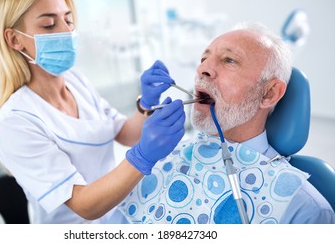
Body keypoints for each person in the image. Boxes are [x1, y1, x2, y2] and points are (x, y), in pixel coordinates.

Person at [0, 0, 185, 224]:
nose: (66, 31)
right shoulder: (16, 121)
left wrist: (147, 102)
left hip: (117, 214)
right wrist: (142, 157)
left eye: (68, 20)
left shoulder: (76, 82)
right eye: (49, 25)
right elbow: (84, 206)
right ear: (15, 40)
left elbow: (125, 134)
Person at [119, 22, 335, 224]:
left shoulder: (302, 208)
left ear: (269, 93)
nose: (202, 69)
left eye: (229, 60)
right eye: (204, 58)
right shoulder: (157, 158)